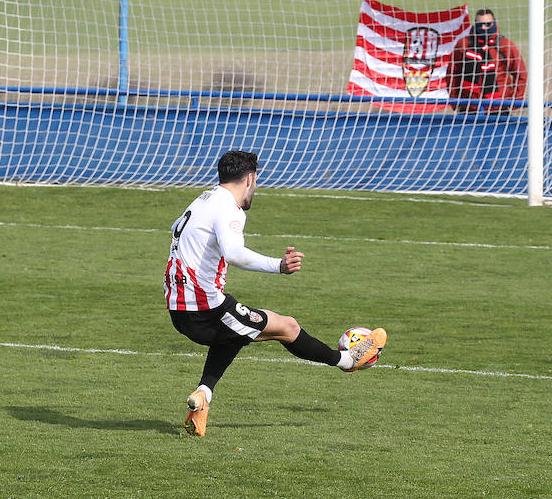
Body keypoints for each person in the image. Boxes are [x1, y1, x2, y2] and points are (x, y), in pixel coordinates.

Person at [166, 149, 387, 437]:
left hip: (180, 307)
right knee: (287, 326)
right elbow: (233, 254)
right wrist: (278, 266)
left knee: (237, 334)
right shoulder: (228, 208)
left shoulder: (201, 201)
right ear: (249, 178)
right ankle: (347, 361)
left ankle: (203, 396)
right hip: (204, 308)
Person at [446, 8, 526, 113]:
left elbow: (521, 74)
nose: (484, 28)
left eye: (488, 24)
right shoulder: (464, 44)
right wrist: (455, 101)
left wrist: (515, 101)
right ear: (475, 25)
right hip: (469, 106)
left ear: (494, 23)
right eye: (480, 25)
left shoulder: (504, 45)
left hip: (498, 106)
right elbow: (452, 74)